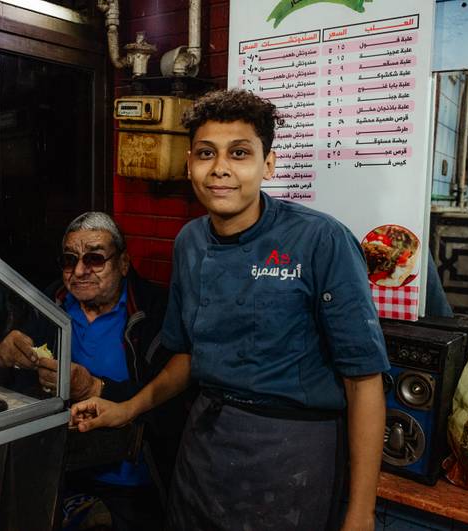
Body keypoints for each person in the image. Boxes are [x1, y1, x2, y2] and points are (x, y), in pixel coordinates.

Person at [71, 90, 390, 531]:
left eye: (239, 153)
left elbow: (363, 380)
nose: (220, 168)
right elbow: (186, 357)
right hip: (206, 444)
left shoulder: (322, 241)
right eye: (206, 154)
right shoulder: (189, 242)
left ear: (268, 164)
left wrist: (361, 512)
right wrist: (127, 408)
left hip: (293, 453)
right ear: (189, 165)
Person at [0, 212, 184, 531]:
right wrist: (3, 356)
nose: (80, 271)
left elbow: (172, 408)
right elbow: (10, 389)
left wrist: (96, 387)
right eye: (70, 260)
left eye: (94, 258)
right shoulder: (49, 303)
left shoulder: (153, 312)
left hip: (132, 486)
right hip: (57, 473)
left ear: (123, 263)